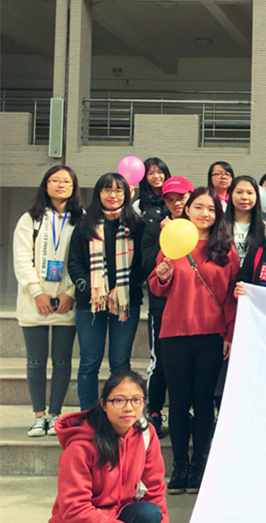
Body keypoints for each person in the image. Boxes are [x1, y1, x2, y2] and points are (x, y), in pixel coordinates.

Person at [49, 371, 188, 523]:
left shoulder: (145, 434)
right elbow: (74, 508)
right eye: (119, 400)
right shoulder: (80, 446)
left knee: (149, 513)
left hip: (117, 516)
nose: (129, 408)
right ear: (103, 404)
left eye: (136, 400)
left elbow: (153, 486)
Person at [148, 187, 239, 493]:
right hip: (174, 333)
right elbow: (157, 287)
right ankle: (180, 466)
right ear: (187, 210)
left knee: (203, 403)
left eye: (211, 209)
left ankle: (200, 464)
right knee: (177, 404)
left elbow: (232, 296)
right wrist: (162, 275)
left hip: (212, 335)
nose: (204, 213)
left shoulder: (225, 248)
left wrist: (229, 333)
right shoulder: (173, 240)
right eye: (198, 207)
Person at [14, 166, 82, 437]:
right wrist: (36, 292)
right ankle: (38, 416)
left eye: (66, 181)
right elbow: (22, 259)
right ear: (45, 185)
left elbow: (86, 259)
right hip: (34, 301)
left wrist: (71, 293)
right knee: (36, 361)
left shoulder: (82, 219)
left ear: (74, 187)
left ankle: (55, 415)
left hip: (67, 301)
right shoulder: (30, 219)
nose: (61, 184)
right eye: (55, 180)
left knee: (63, 361)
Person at [68, 173, 145, 411]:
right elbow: (75, 264)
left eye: (118, 190)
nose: (113, 195)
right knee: (89, 363)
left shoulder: (137, 225)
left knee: (120, 363)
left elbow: (142, 265)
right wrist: (92, 290)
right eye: (107, 190)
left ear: (126, 194)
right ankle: (89, 414)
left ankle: (119, 412)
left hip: (126, 303)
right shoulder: (85, 225)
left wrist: (122, 290)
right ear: (98, 193)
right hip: (90, 304)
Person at [140, 176, 192, 438]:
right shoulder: (155, 226)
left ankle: (187, 411)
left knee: (190, 364)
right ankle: (155, 411)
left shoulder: (203, 227)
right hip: (162, 307)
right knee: (159, 361)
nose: (176, 203)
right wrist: (165, 236)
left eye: (181, 198)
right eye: (170, 199)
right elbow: (147, 264)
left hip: (193, 308)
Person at [224, 176, 266, 265]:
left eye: (249, 193)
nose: (244, 197)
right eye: (239, 192)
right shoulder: (219, 225)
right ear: (231, 194)